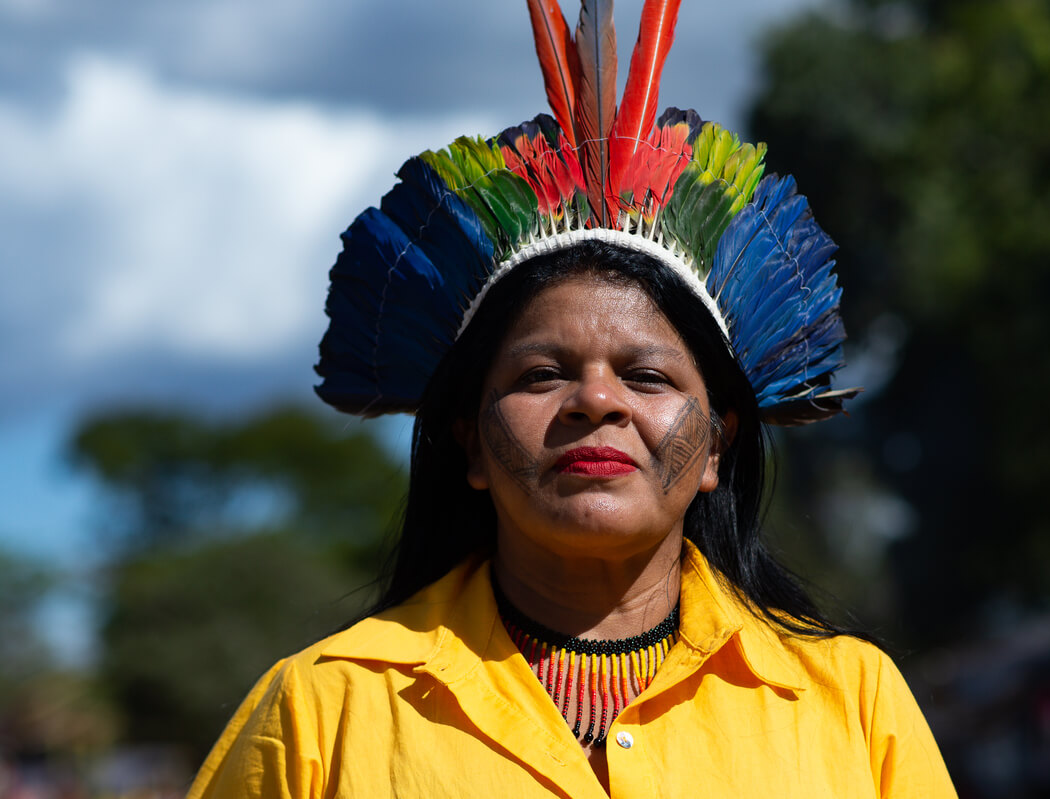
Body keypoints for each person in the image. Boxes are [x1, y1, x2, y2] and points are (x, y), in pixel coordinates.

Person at [187, 2, 958, 797]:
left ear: (718, 446)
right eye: (540, 375)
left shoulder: (855, 706)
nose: (597, 399)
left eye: (648, 376)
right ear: (471, 444)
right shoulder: (324, 709)